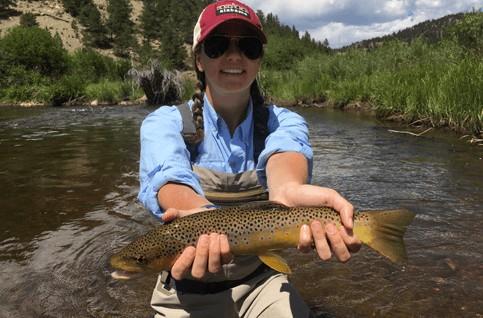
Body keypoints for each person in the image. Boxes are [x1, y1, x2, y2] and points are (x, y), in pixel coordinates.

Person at [137, 1, 360, 317]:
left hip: (262, 284)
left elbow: (285, 159)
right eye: (217, 45)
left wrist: (286, 191)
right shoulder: (165, 122)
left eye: (249, 46)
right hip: (184, 290)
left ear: (258, 60)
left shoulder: (284, 121)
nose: (234, 55)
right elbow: (167, 175)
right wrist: (198, 217)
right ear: (199, 60)